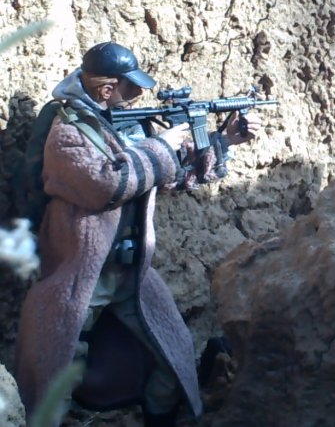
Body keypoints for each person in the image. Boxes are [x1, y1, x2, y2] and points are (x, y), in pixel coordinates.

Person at [14, 41, 261, 427]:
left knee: (173, 357)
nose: (137, 95)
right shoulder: (68, 130)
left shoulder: (126, 124)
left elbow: (172, 175)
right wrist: (160, 147)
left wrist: (223, 140)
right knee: (54, 373)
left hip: (131, 272)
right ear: (106, 89)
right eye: (129, 87)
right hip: (80, 275)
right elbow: (105, 185)